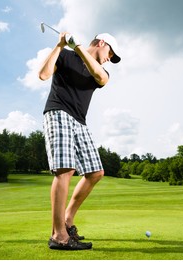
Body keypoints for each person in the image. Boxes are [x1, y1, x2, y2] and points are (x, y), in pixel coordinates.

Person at [38, 32, 121, 250]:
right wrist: (60, 45)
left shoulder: (100, 70)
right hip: (58, 112)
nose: (109, 58)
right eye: (109, 52)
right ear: (101, 43)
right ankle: (59, 236)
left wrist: (78, 46)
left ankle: (67, 220)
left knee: (95, 172)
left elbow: (100, 77)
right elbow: (44, 75)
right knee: (65, 170)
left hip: (80, 122)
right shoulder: (65, 56)